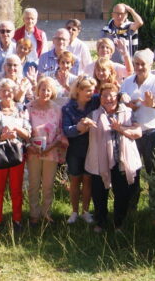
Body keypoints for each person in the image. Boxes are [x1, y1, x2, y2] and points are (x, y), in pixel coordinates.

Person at [85, 82, 144, 232]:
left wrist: (121, 129)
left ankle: (119, 223)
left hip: (122, 161)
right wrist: (83, 125)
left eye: (111, 95)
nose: (108, 99)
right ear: (100, 98)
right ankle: (100, 221)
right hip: (100, 160)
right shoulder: (94, 114)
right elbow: (82, 128)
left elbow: (138, 133)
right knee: (99, 194)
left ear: (117, 97)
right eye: (104, 96)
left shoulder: (129, 113)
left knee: (121, 194)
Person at [0, 78, 31, 230]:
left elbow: (28, 133)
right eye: (4, 90)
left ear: (14, 92)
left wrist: (17, 131)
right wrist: (3, 136)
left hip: (17, 152)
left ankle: (17, 220)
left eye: (10, 90)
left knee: (16, 189)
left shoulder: (22, 108)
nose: (7, 93)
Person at [120, 49, 155, 173]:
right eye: (136, 63)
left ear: (150, 65)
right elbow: (121, 98)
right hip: (131, 132)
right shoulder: (127, 81)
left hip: (150, 133)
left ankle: (153, 192)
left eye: (143, 64)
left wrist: (153, 104)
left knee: (152, 170)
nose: (139, 67)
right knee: (131, 170)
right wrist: (127, 104)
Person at [25, 77, 66, 225]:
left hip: (51, 150)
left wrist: (52, 146)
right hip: (33, 151)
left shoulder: (57, 109)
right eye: (43, 89)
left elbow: (61, 131)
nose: (45, 92)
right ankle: (34, 214)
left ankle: (47, 213)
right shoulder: (29, 107)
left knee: (48, 185)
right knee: (34, 184)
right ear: (38, 90)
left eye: (48, 90)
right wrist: (31, 145)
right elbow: (24, 128)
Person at [62, 75, 98, 225]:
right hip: (75, 149)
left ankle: (86, 212)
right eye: (87, 91)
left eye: (92, 90)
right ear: (78, 90)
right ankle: (74, 212)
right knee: (75, 180)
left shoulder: (95, 102)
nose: (91, 93)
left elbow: (110, 96)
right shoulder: (68, 108)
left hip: (91, 147)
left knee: (88, 180)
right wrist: (78, 127)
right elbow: (66, 130)